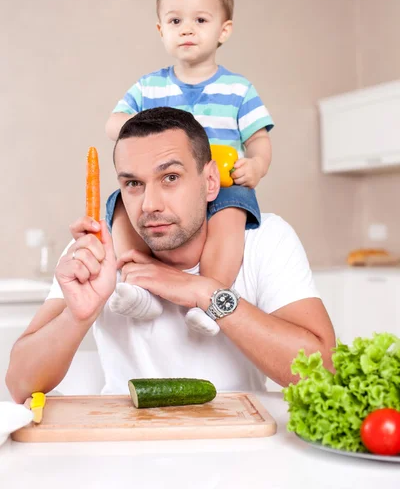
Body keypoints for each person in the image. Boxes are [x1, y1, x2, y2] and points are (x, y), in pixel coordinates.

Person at [6, 108, 335, 404]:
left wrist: (206, 293)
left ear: (209, 182)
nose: (149, 204)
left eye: (171, 178)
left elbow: (326, 372)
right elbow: (19, 384)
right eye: (133, 183)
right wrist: (77, 316)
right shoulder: (95, 255)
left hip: (237, 446)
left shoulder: (266, 240)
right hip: (122, 448)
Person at [104, 0, 274, 336]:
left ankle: (210, 300)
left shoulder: (238, 89)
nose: (187, 28)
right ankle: (136, 286)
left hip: (225, 182)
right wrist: (151, 130)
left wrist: (256, 166)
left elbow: (259, 138)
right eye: (175, 20)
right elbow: (114, 123)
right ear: (161, 30)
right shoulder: (148, 87)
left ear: (223, 30)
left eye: (200, 19)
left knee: (231, 218)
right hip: (169, 182)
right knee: (120, 203)